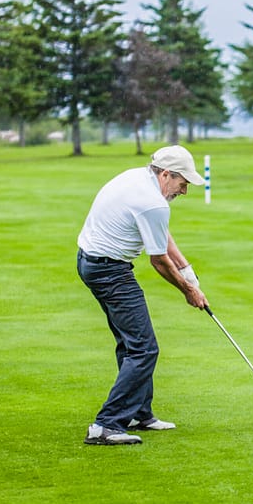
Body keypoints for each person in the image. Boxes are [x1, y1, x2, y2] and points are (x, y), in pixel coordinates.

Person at [76, 145, 209, 446]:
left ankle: (138, 412)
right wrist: (188, 291)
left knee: (131, 344)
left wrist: (188, 271)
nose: (184, 191)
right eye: (183, 184)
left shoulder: (138, 178)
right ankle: (106, 425)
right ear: (166, 174)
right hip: (109, 271)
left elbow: (160, 234)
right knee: (144, 349)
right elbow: (158, 260)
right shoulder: (153, 202)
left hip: (92, 262)